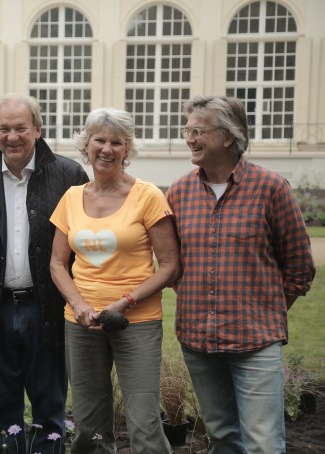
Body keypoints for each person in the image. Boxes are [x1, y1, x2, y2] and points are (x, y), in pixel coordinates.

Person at [166, 95, 316, 453]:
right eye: (187, 129)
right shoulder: (179, 192)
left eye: (198, 130)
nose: (189, 138)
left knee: (263, 443)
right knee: (221, 436)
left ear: (229, 136)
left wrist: (263, 315)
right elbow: (171, 266)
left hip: (256, 343)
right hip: (197, 342)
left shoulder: (271, 188)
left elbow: (299, 268)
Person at [0, 93, 89, 453]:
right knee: (1, 407)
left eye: (21, 128)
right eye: (4, 129)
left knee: (50, 406)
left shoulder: (69, 175)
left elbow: (85, 233)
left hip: (50, 307)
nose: (12, 137)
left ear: (37, 130)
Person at [48, 108, 180, 454]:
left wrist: (125, 302)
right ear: (87, 145)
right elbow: (57, 264)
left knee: (143, 420)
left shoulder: (148, 196)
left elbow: (169, 265)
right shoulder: (71, 198)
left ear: (127, 149)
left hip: (135, 321)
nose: (107, 149)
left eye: (116, 142)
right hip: (82, 322)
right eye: (100, 140)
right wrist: (78, 305)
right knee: (89, 423)